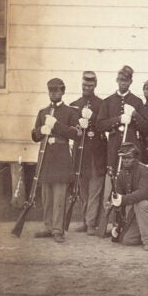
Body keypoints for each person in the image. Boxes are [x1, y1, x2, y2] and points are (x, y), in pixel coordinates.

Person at [31, 78, 81, 243]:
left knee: (59, 195)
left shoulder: (70, 112)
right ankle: (47, 227)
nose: (53, 93)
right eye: (51, 90)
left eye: (57, 90)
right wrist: (41, 130)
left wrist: (56, 125)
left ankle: (58, 230)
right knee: (47, 195)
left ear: (63, 91)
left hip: (61, 157)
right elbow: (34, 136)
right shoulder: (42, 112)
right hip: (46, 157)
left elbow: (75, 133)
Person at [70, 71, 107, 236]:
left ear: (95, 85)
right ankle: (86, 221)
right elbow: (70, 128)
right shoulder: (74, 104)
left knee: (95, 190)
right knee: (83, 190)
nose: (87, 88)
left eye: (91, 86)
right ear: (81, 84)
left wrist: (92, 121)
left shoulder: (102, 104)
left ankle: (92, 223)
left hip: (97, 153)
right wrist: (78, 125)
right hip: (81, 153)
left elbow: (103, 126)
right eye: (85, 85)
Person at [96, 65, 148, 177]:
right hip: (114, 145)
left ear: (131, 81)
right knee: (114, 174)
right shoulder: (108, 101)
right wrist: (118, 119)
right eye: (121, 80)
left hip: (131, 143)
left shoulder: (137, 101)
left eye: (126, 80)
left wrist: (135, 114)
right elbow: (100, 125)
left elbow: (145, 127)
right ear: (117, 80)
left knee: (131, 174)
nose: (123, 83)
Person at [110, 142, 148, 251]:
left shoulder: (145, 170)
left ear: (136, 157)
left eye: (129, 157)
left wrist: (123, 199)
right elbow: (119, 194)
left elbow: (143, 193)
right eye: (123, 157)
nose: (125, 160)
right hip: (133, 211)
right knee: (127, 241)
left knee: (142, 203)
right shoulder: (121, 173)